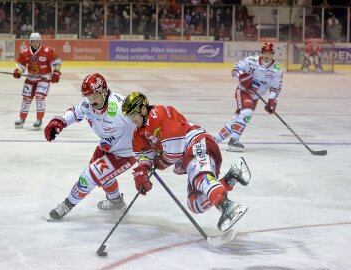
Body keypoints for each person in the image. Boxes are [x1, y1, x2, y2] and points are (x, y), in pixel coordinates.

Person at [121, 92, 250, 232]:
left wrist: (159, 163)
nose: (131, 119)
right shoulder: (139, 134)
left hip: (197, 141)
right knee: (194, 203)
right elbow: (145, 157)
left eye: (132, 114)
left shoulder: (159, 113)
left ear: (143, 109)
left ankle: (227, 206)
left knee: (199, 177)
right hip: (188, 155)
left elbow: (173, 152)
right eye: (128, 116)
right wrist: (142, 171)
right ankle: (231, 177)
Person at [45, 73, 137, 220]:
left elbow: (145, 121)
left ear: (104, 91)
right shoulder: (88, 103)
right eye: (88, 97)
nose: (91, 101)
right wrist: (59, 122)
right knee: (103, 177)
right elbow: (75, 112)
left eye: (94, 96)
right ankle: (116, 202)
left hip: (125, 154)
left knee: (88, 176)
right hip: (107, 147)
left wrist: (154, 149)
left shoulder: (120, 107)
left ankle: (67, 205)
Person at [215, 42, 283, 152]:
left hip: (255, 97)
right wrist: (242, 77)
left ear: (273, 54)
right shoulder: (251, 61)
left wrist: (272, 101)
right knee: (247, 113)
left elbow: (275, 88)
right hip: (243, 92)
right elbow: (235, 70)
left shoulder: (277, 69)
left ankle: (215, 141)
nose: (267, 56)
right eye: (265, 53)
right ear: (261, 53)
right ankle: (234, 141)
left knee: (237, 120)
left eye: (270, 54)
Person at [13, 32, 62, 130]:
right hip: (30, 79)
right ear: (30, 42)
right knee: (26, 99)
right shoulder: (24, 53)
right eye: (33, 41)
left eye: (37, 41)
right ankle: (22, 118)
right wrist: (17, 71)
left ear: (40, 41)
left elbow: (57, 62)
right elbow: (20, 65)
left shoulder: (48, 51)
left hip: (44, 79)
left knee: (40, 97)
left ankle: (39, 119)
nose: (36, 43)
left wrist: (56, 73)